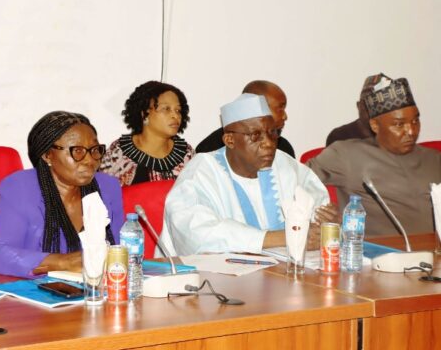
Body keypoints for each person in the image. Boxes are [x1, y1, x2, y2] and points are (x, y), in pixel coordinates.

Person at [159, 93, 335, 255]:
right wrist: (281, 237)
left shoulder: (286, 165)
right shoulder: (202, 170)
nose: (268, 144)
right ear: (230, 140)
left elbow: (316, 209)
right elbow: (195, 233)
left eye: (272, 133)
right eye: (256, 135)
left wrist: (329, 222)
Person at [0, 111, 124, 278]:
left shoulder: (108, 187)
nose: (90, 160)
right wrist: (64, 262)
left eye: (94, 150)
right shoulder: (20, 188)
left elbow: (118, 250)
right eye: (77, 151)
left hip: (94, 292)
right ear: (47, 155)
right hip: (35, 296)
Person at [308, 76, 441, 236]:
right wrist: (319, 213)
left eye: (415, 121)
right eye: (399, 124)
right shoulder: (347, 155)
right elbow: (293, 178)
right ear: (375, 125)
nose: (411, 131)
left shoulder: (434, 158)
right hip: (382, 256)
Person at [99, 81, 194, 186]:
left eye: (178, 110)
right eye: (166, 109)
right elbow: (103, 194)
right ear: (144, 113)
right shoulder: (118, 152)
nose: (175, 115)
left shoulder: (187, 155)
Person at [196, 80, 295, 158]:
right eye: (280, 108)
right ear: (257, 105)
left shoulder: (284, 148)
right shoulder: (210, 149)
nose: (285, 116)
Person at [325, 73, 382, 146]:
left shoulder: (395, 135)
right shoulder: (339, 137)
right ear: (358, 106)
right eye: (368, 106)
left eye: (379, 106)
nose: (374, 111)